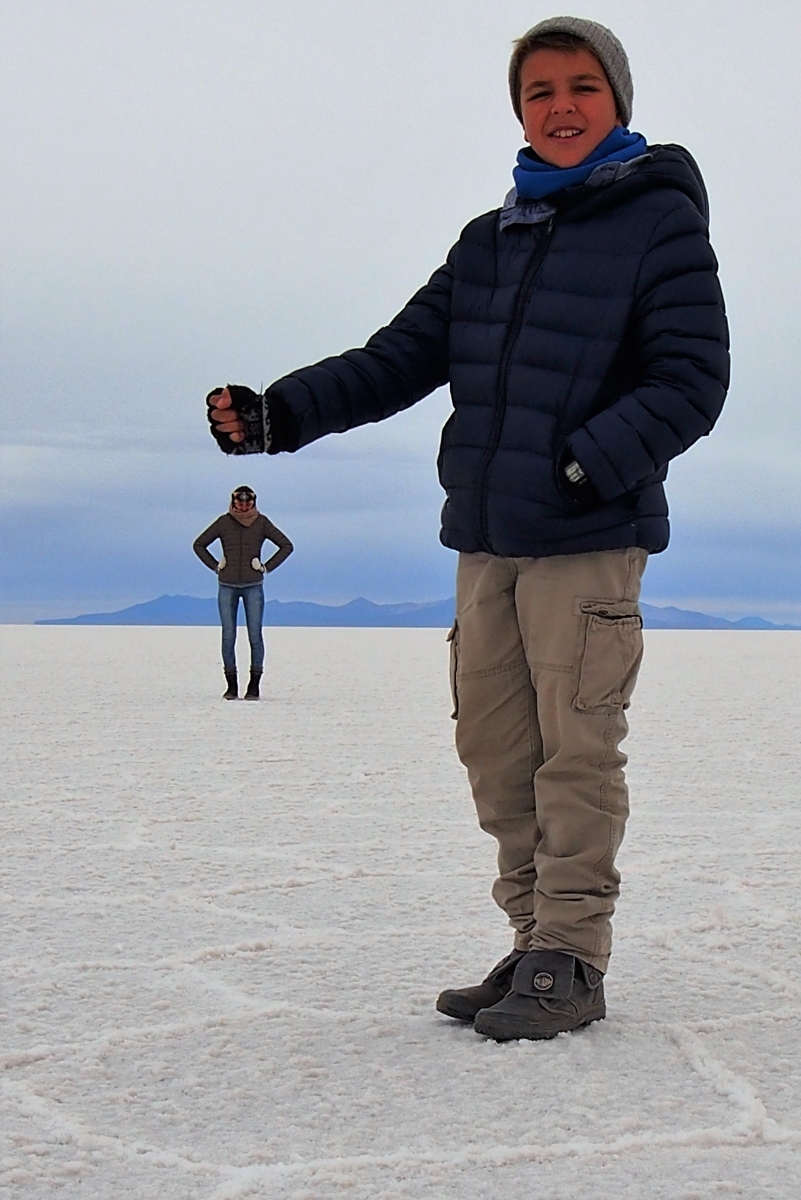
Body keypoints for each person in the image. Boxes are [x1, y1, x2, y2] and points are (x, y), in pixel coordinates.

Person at [205, 16, 729, 1038]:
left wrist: (584, 462)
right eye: (540, 91)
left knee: (575, 750)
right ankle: (534, 938)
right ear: (519, 110)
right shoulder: (490, 242)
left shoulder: (659, 226)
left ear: (616, 100)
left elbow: (692, 380)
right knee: (495, 750)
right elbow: (400, 356)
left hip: (586, 536)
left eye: (582, 86)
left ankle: (571, 958)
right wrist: (281, 414)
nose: (562, 105)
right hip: (487, 540)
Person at [193, 486, 293, 700]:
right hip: (227, 585)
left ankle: (254, 687)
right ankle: (231, 687)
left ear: (254, 503)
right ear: (233, 501)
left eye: (248, 502)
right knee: (228, 635)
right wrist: (216, 566)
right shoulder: (223, 522)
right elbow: (199, 544)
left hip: (253, 585)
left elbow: (286, 545)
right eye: (240, 501)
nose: (244, 505)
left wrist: (266, 567)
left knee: (255, 636)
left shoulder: (262, 522)